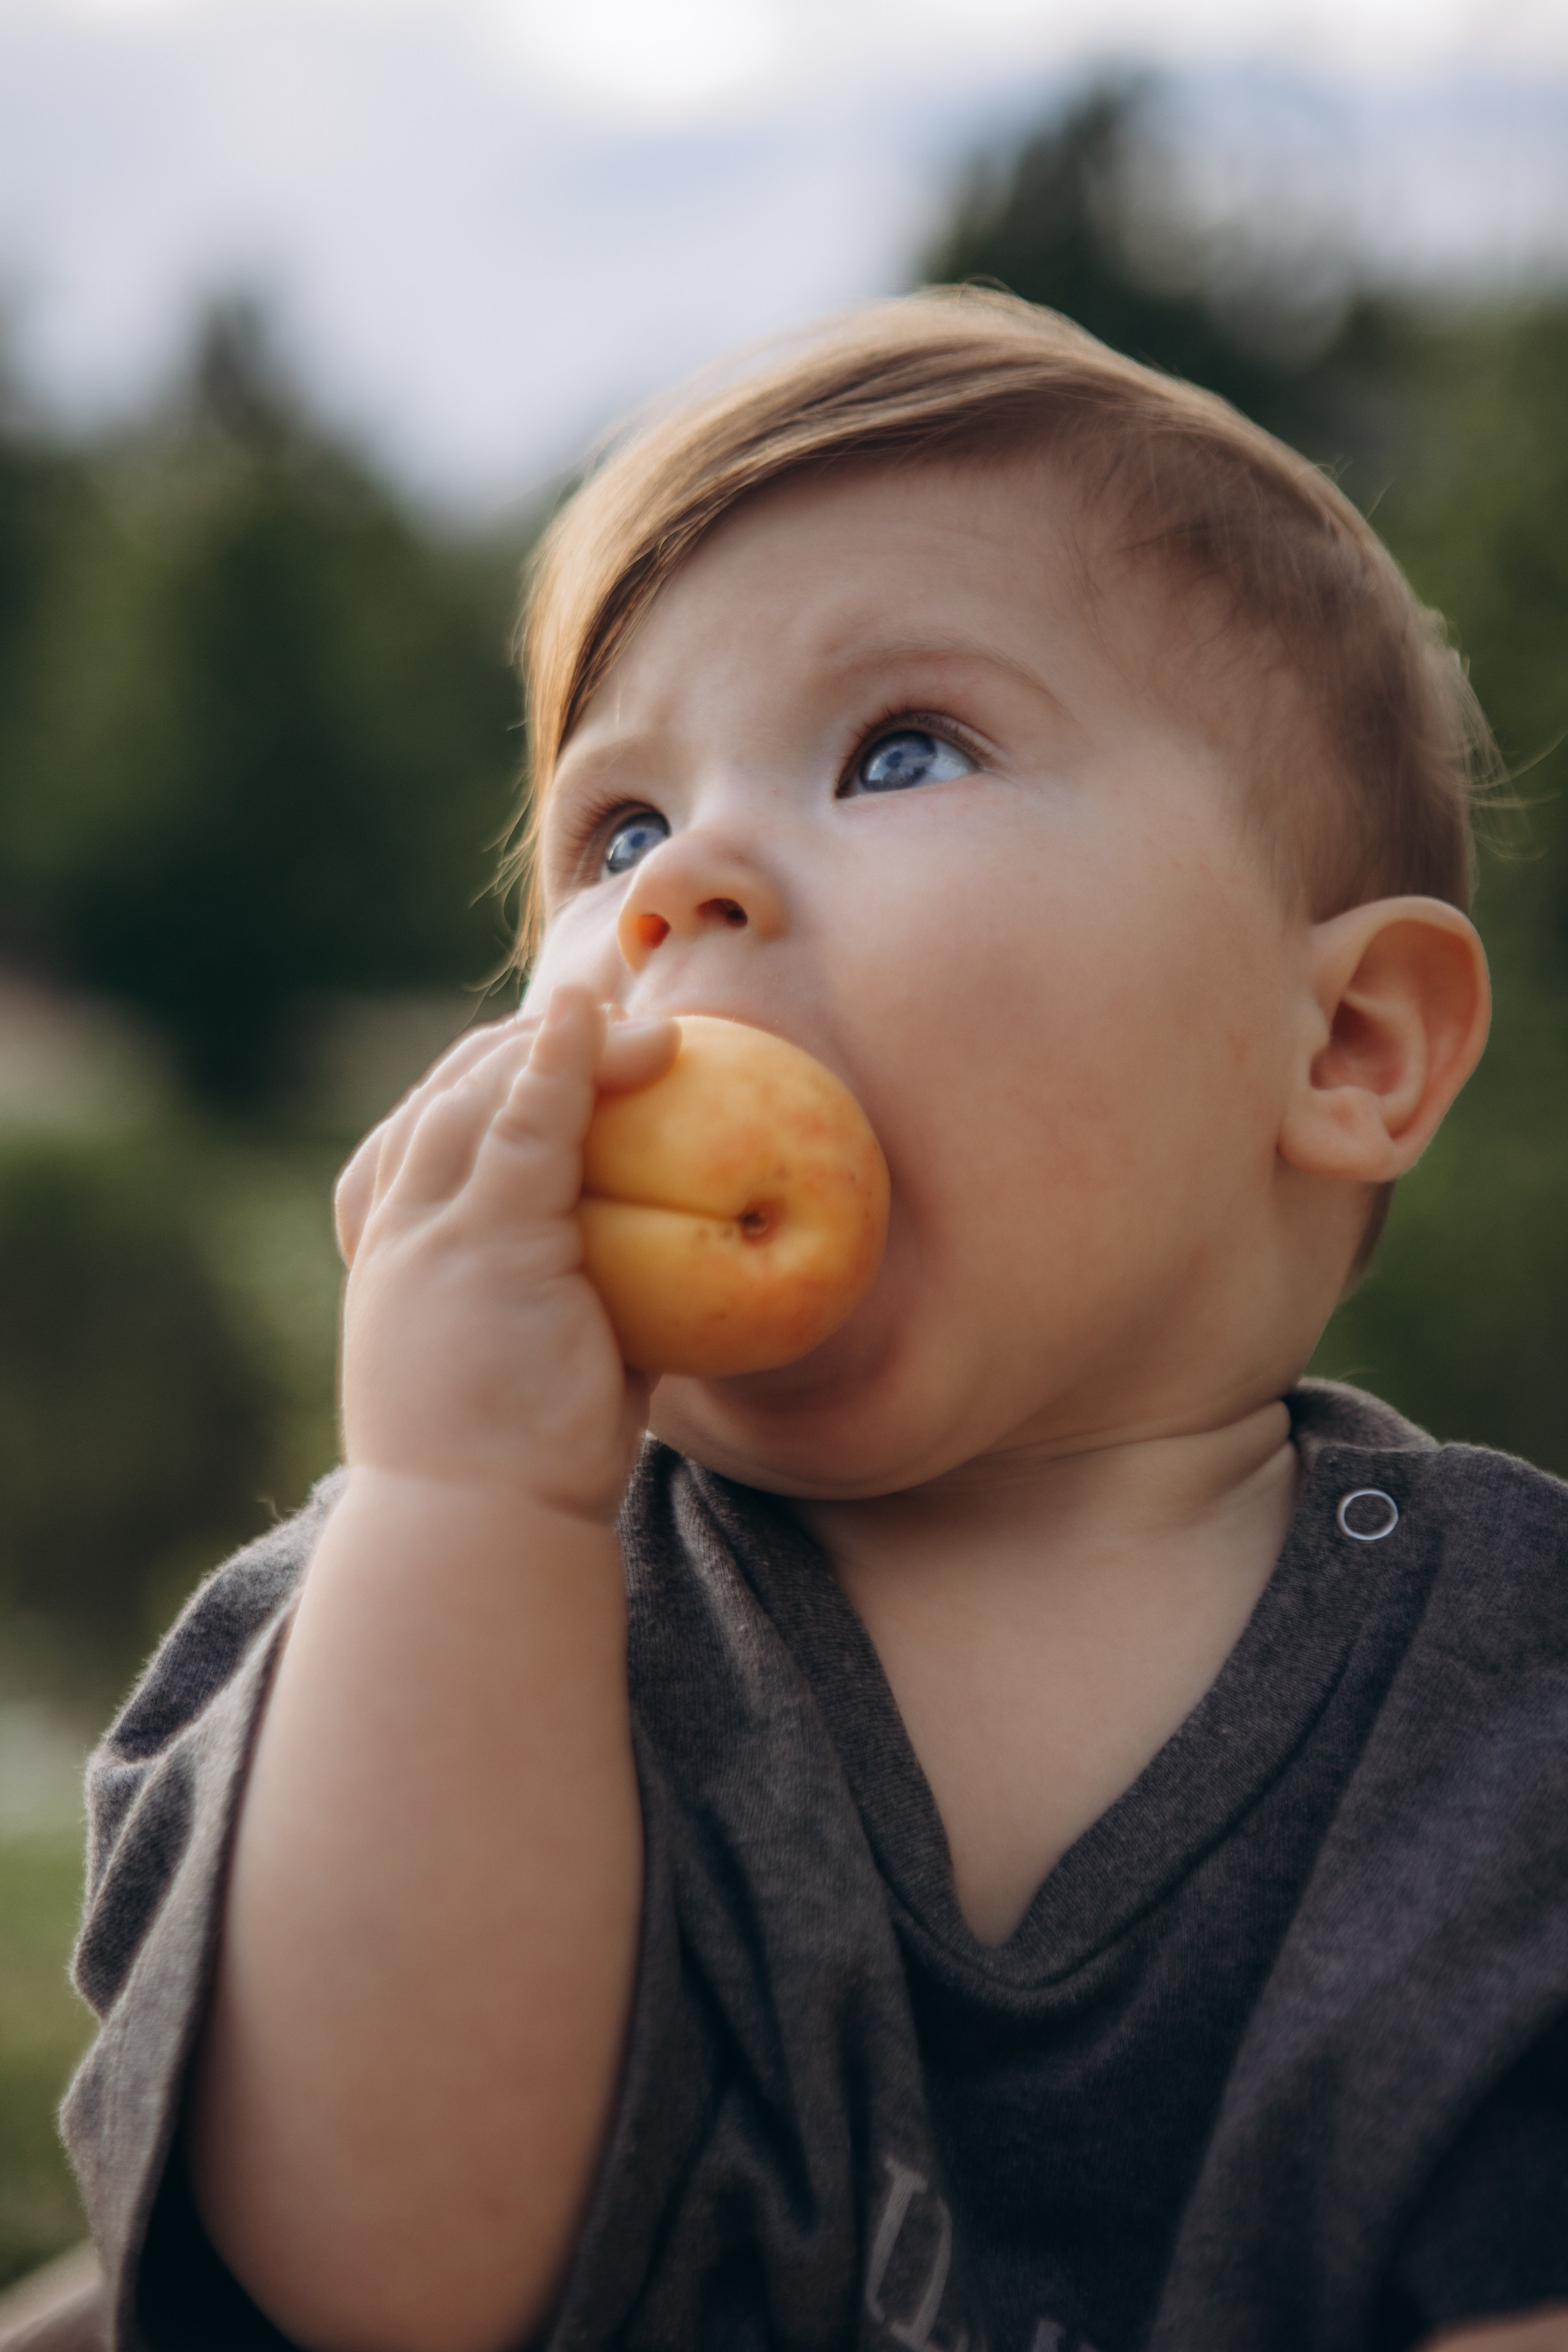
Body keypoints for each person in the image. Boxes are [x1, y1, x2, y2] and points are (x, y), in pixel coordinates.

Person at [61, 290, 1568, 2352]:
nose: (681, 887)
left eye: (900, 749)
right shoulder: (417, 1637)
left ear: (1349, 1045)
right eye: (618, 831)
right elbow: (374, 2286)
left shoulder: (1511, 1712)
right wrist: (459, 1503)